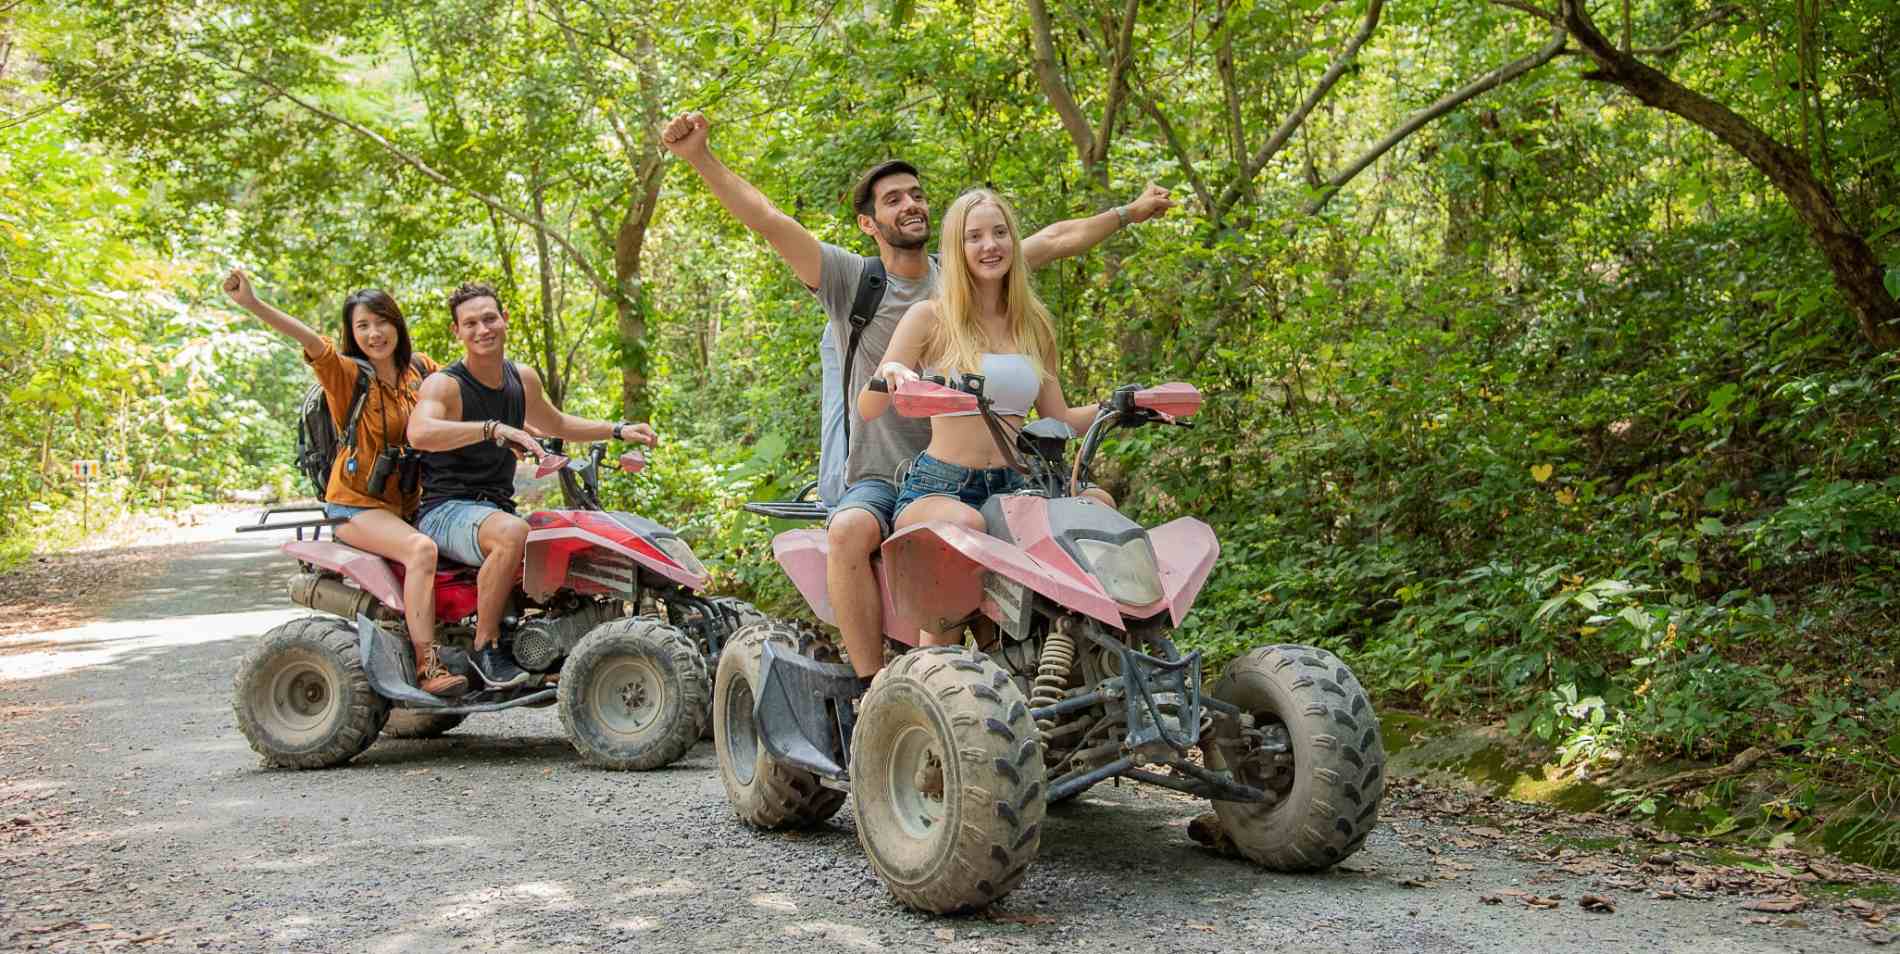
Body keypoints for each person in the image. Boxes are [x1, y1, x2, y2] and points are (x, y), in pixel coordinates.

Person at [661, 110, 1172, 689]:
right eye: (893, 199)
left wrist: (1131, 211)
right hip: (887, 468)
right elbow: (769, 220)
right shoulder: (852, 279)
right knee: (852, 531)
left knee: (1086, 508)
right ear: (868, 223)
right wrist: (701, 158)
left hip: (1002, 467)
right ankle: (872, 688)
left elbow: (1054, 239)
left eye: (917, 195)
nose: (910, 205)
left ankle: (1095, 672)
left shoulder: (964, 280)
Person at [861, 189, 1116, 635]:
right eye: (973, 236)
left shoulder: (1033, 323)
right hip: (941, 489)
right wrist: (896, 373)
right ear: (956, 251)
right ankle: (928, 674)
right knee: (967, 527)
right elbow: (868, 405)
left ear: (1013, 243)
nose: (989, 246)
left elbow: (1060, 416)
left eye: (999, 233)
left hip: (1018, 485)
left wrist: (1119, 405)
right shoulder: (930, 317)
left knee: (1098, 504)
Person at [221, 269, 467, 698]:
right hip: (357, 507)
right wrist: (252, 303)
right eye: (363, 326)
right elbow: (309, 339)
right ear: (352, 333)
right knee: (421, 550)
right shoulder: (346, 376)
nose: (375, 333)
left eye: (382, 321)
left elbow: (465, 402)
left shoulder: (420, 370)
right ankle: (429, 666)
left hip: (412, 504)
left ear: (397, 323)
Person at [406, 282, 658, 689]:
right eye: (470, 323)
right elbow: (419, 432)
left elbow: (556, 423)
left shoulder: (520, 378)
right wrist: (490, 429)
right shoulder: (444, 385)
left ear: (504, 320)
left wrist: (617, 429)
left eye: (489, 318)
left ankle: (561, 640)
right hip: (445, 511)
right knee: (513, 532)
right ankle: (487, 648)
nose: (482, 329)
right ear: (457, 332)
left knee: (567, 536)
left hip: (495, 508)